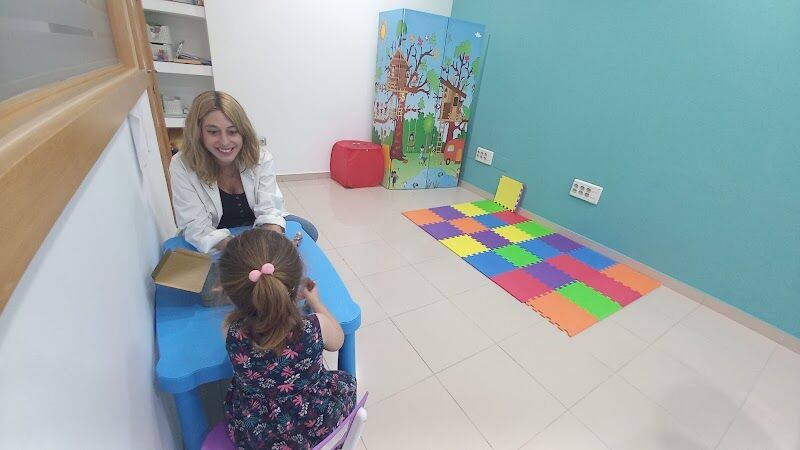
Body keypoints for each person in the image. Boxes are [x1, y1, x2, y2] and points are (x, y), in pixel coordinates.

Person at [219, 229, 357, 449]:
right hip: (316, 423)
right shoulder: (315, 325)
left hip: (259, 433)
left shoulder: (230, 331)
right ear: (293, 285)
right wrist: (316, 303)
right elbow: (339, 340)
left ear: (229, 293)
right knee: (346, 381)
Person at [170, 90, 318, 256]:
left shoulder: (261, 157)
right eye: (213, 132)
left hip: (258, 229)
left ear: (243, 132)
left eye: (232, 131)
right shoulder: (182, 165)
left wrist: (274, 244)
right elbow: (196, 226)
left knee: (308, 231)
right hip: (215, 236)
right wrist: (244, 251)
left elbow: (269, 209)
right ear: (198, 133)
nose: (224, 141)